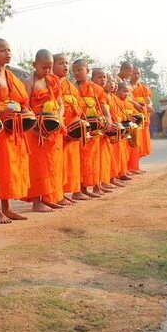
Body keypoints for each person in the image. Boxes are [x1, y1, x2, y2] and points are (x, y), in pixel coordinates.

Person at [0, 39, 30, 223]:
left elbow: (23, 99)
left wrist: (25, 111)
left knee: (11, 169)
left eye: (9, 50)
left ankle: (8, 207)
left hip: (14, 128)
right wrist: (0, 111)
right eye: (2, 50)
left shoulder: (13, 77)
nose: (7, 53)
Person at [25, 50, 65, 212]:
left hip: (53, 128)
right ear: (35, 65)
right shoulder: (29, 82)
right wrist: (35, 126)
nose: (47, 71)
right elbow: (25, 106)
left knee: (52, 164)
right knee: (38, 165)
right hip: (36, 130)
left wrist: (59, 118)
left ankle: (48, 197)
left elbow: (60, 104)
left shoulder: (53, 81)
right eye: (44, 68)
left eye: (50, 68)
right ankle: (37, 200)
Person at [54, 54, 85, 204]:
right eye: (61, 63)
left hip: (72, 130)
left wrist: (78, 126)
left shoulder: (71, 86)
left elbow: (78, 107)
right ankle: (56, 193)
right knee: (58, 163)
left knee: (71, 163)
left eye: (67, 63)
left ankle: (67, 191)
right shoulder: (50, 83)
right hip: (57, 128)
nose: (65, 66)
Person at [73, 59, 103, 198]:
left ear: (87, 71)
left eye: (80, 69)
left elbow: (103, 105)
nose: (77, 73)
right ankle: (78, 189)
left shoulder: (96, 89)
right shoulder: (72, 88)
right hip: (80, 128)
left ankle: (87, 188)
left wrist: (106, 118)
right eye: (75, 70)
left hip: (94, 128)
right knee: (80, 160)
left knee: (92, 159)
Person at [91, 68, 117, 192]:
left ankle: (101, 183)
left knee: (103, 157)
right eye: (99, 77)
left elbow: (106, 109)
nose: (103, 80)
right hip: (94, 127)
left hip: (103, 126)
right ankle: (97, 184)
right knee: (96, 158)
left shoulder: (102, 93)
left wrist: (108, 120)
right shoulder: (89, 89)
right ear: (92, 78)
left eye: (104, 77)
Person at [130, 67, 154, 160]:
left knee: (142, 141)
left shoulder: (143, 88)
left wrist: (147, 106)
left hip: (142, 116)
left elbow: (149, 101)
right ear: (130, 74)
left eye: (138, 73)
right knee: (134, 140)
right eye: (134, 73)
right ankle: (133, 164)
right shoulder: (127, 87)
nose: (136, 75)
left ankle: (136, 164)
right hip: (133, 116)